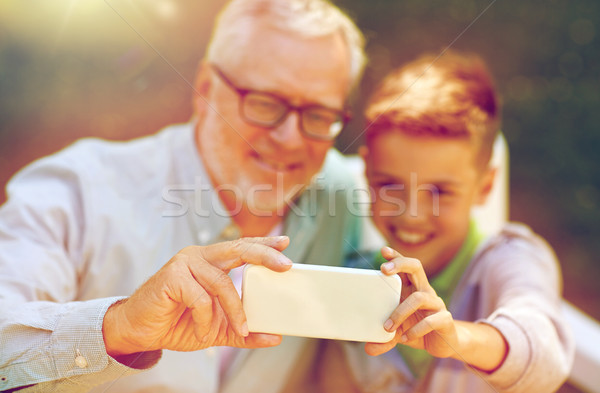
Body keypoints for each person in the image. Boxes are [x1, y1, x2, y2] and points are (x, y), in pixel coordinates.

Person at [0, 1, 402, 392]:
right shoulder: (76, 190)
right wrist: (120, 327)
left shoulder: (349, 193)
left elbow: (456, 228)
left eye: (317, 115)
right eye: (265, 104)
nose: (290, 139)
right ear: (206, 88)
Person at [355, 51, 575, 392]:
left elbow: (545, 355)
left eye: (441, 192)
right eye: (389, 185)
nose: (412, 213)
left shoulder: (511, 258)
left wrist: (459, 337)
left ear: (485, 185)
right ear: (366, 172)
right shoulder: (351, 274)